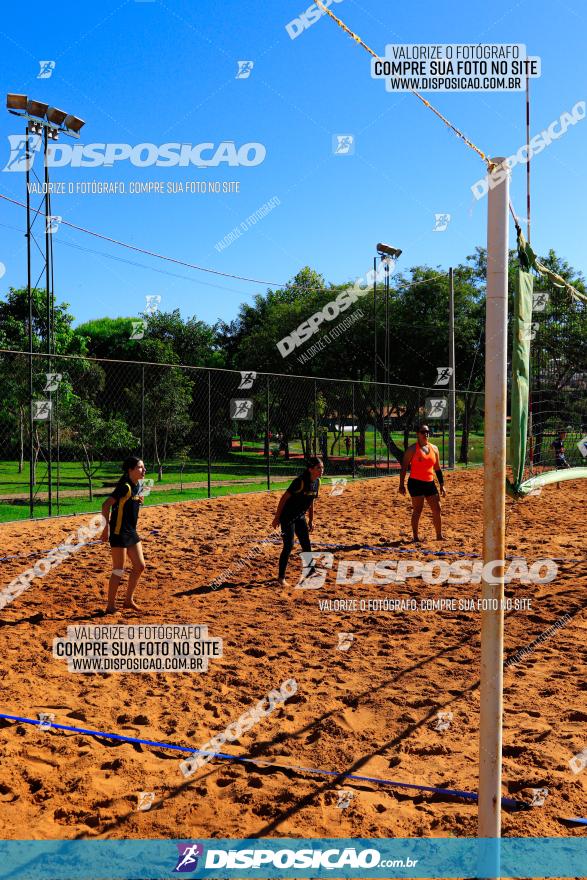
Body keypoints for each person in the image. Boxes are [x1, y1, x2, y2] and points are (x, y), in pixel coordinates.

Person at [100, 456, 147, 614]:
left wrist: (138, 500)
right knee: (118, 570)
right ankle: (110, 606)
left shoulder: (138, 486)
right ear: (130, 470)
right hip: (118, 533)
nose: (144, 470)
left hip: (131, 532)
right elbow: (105, 505)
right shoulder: (125, 486)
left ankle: (128, 600)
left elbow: (131, 504)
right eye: (140, 467)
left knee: (140, 566)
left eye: (143, 467)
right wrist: (105, 530)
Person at [272, 457, 324, 587]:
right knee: (288, 546)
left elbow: (311, 501)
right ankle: (281, 578)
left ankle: (311, 571)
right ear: (310, 469)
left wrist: (311, 519)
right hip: (288, 517)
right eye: (318, 467)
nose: (321, 470)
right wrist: (277, 518)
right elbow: (284, 498)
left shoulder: (317, 482)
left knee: (306, 544)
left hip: (300, 517)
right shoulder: (300, 482)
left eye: (322, 467)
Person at [399, 425, 446, 541]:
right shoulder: (412, 449)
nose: (426, 434)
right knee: (418, 510)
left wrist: (442, 485)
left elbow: (438, 469)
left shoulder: (434, 449)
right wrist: (401, 485)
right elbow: (404, 467)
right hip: (415, 483)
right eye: (423, 432)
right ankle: (415, 537)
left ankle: (439, 535)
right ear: (417, 434)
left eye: (428, 432)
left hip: (429, 483)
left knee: (437, 508)